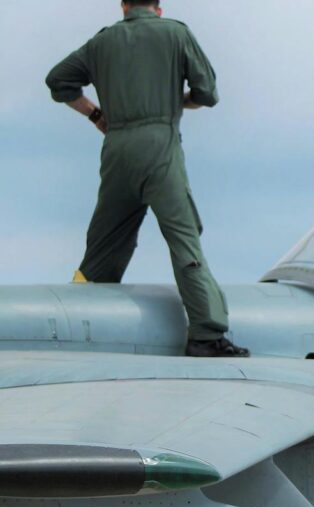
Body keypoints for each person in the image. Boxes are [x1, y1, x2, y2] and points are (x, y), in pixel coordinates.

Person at [45, 0, 248, 357]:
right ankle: (206, 334)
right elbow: (207, 94)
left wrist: (95, 114)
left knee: (104, 243)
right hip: (159, 147)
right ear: (159, 7)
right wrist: (177, 101)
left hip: (116, 148)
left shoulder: (100, 43)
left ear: (123, 6)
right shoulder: (176, 33)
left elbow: (58, 81)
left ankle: (80, 321)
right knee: (183, 237)